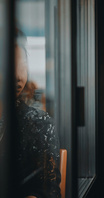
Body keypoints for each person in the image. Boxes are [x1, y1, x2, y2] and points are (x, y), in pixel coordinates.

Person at [0, 29, 61, 198]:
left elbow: (47, 189)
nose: (19, 76)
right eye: (11, 66)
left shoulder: (39, 123)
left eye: (23, 66)